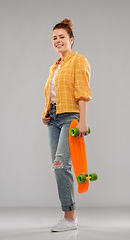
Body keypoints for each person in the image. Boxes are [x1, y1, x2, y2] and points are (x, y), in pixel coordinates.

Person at [42, 18, 92, 232]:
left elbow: (82, 92)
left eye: (62, 37)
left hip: (70, 118)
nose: (58, 40)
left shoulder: (78, 60)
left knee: (61, 165)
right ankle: (69, 216)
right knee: (57, 167)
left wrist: (82, 121)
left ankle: (69, 218)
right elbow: (52, 95)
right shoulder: (55, 66)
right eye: (54, 38)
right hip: (53, 119)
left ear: (71, 39)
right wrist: (46, 113)